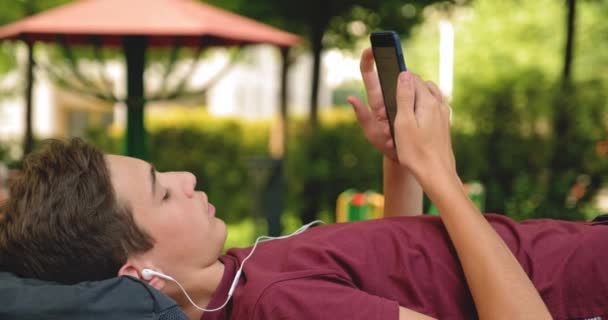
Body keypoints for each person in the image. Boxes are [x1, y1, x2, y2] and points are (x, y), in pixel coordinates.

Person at [0, 48, 606, 320]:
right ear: (143, 276)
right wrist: (440, 176)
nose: (186, 178)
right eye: (162, 191)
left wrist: (399, 163)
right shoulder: (275, 306)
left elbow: (404, 278)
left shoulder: (233, 278)